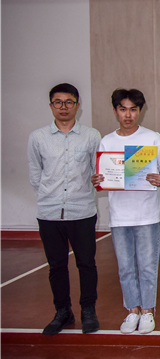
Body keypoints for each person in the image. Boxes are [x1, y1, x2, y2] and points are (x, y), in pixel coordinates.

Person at [92, 89, 160, 334]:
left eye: (133, 109)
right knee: (125, 267)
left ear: (140, 111)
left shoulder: (152, 138)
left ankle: (147, 311)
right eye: (123, 109)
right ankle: (132, 310)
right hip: (120, 214)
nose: (128, 115)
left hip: (147, 212)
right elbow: (102, 176)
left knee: (147, 266)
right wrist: (97, 180)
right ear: (115, 111)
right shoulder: (106, 142)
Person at [28, 83, 102, 335]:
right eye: (58, 102)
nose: (63, 107)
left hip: (82, 211)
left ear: (77, 106)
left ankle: (88, 311)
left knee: (86, 264)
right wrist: (50, 195)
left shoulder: (91, 135)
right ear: (51, 106)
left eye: (69, 102)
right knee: (56, 266)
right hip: (49, 213)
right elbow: (35, 175)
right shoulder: (37, 137)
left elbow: (97, 171)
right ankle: (63, 312)